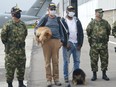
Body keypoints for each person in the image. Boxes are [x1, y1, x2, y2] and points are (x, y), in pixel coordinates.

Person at [35, 3, 64, 87]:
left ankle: (56, 79)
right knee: (47, 62)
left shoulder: (58, 19)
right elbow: (37, 28)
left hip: (56, 41)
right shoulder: (45, 18)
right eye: (51, 9)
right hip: (47, 42)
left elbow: (61, 29)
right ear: (48, 10)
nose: (53, 10)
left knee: (55, 61)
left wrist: (61, 40)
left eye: (54, 9)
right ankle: (48, 80)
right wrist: (39, 36)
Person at [1, 5, 27, 87]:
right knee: (10, 70)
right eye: (17, 13)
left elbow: (25, 34)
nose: (18, 14)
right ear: (12, 14)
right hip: (11, 53)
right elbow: (3, 37)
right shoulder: (8, 25)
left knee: (21, 68)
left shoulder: (22, 24)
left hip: (21, 51)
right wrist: (10, 45)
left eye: (19, 12)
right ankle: (10, 84)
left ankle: (21, 83)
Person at [86, 8, 111, 81]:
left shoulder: (105, 23)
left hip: (103, 45)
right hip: (94, 45)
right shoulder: (92, 23)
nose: (101, 14)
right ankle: (94, 75)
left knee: (104, 60)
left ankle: (104, 74)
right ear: (96, 13)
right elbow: (88, 32)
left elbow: (108, 31)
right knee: (94, 60)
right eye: (100, 13)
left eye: (102, 13)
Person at [62, 6, 84, 83]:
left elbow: (81, 33)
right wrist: (65, 43)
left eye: (73, 10)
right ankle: (66, 77)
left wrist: (80, 44)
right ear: (67, 11)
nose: (72, 12)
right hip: (68, 44)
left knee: (77, 61)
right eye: (70, 10)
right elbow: (61, 34)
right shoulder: (63, 21)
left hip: (76, 43)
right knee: (66, 62)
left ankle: (76, 77)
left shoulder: (77, 20)